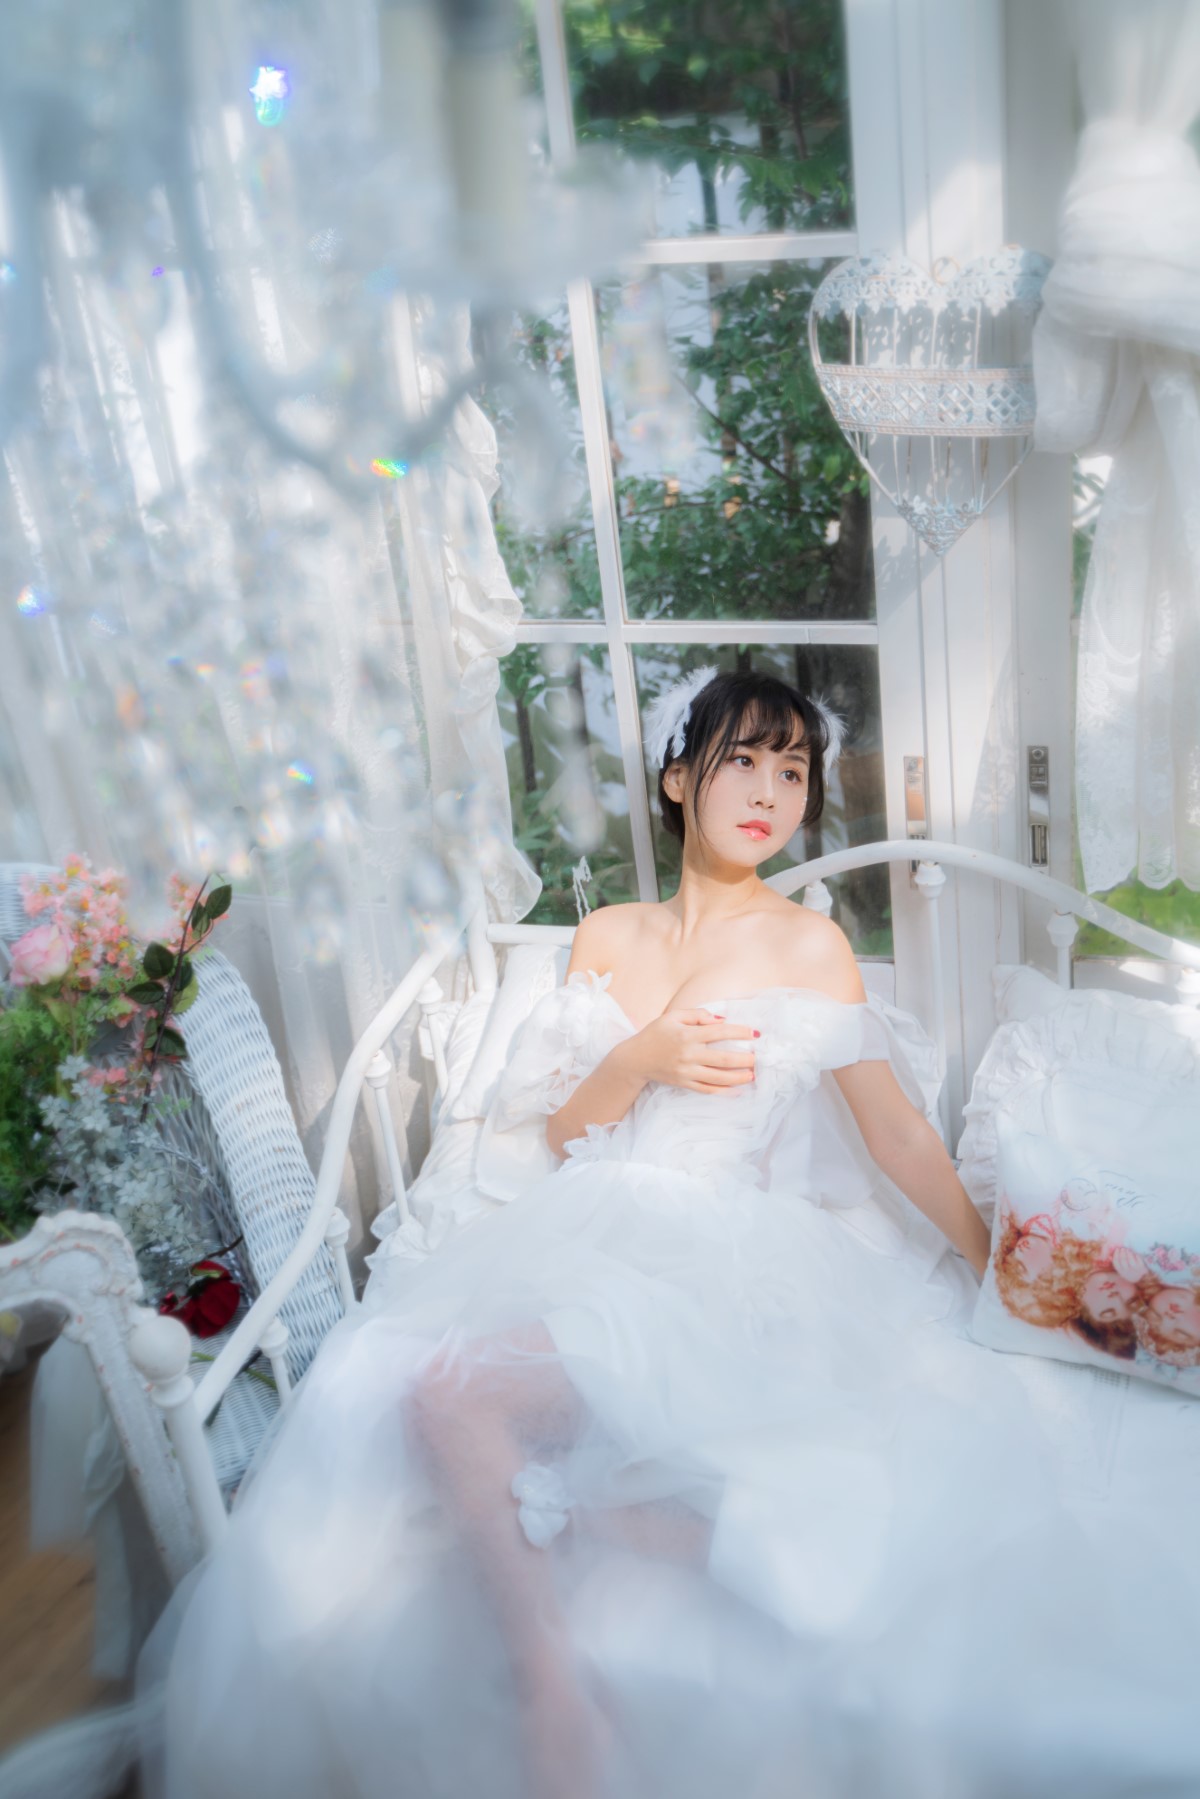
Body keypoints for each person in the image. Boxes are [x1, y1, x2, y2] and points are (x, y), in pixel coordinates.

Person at [142, 669, 1200, 1799]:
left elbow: (896, 1134)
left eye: (793, 770)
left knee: (465, 1402)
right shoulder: (605, 935)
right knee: (397, 1379)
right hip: (593, 1224)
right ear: (678, 777)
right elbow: (565, 1129)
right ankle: (570, 1628)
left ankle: (552, 1678)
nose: (771, 792)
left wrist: (1011, 1273)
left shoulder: (810, 945)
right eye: (743, 760)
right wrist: (634, 1057)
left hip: (730, 1251)